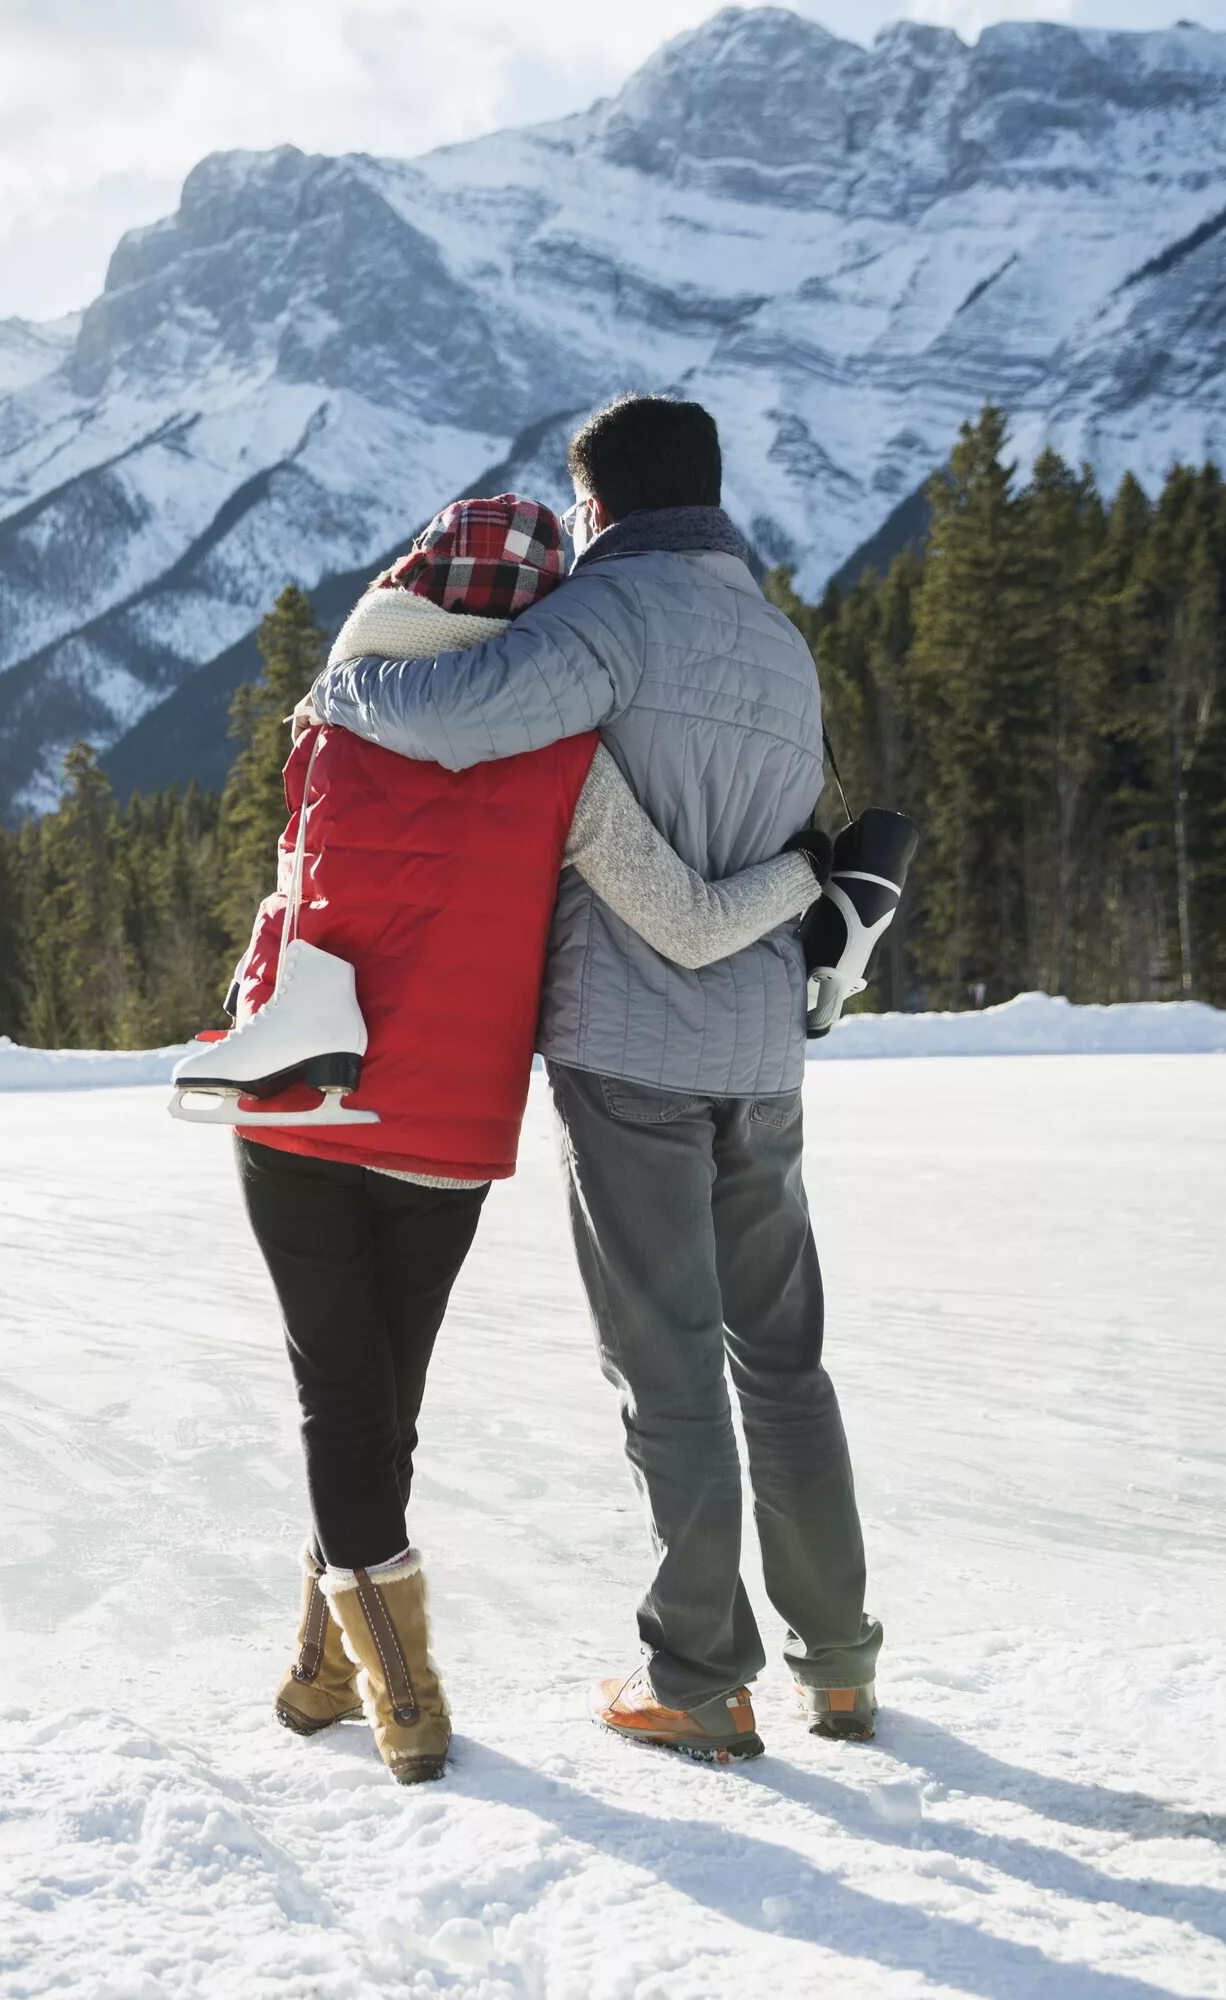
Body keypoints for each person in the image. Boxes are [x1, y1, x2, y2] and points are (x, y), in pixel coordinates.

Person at [306, 396, 885, 1765]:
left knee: (669, 1366)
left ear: (597, 508)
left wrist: (343, 684)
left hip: (633, 1049)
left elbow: (458, 717)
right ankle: (842, 1664)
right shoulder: (778, 642)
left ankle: (696, 1680)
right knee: (784, 1359)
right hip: (761, 1051)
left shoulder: (609, 616)